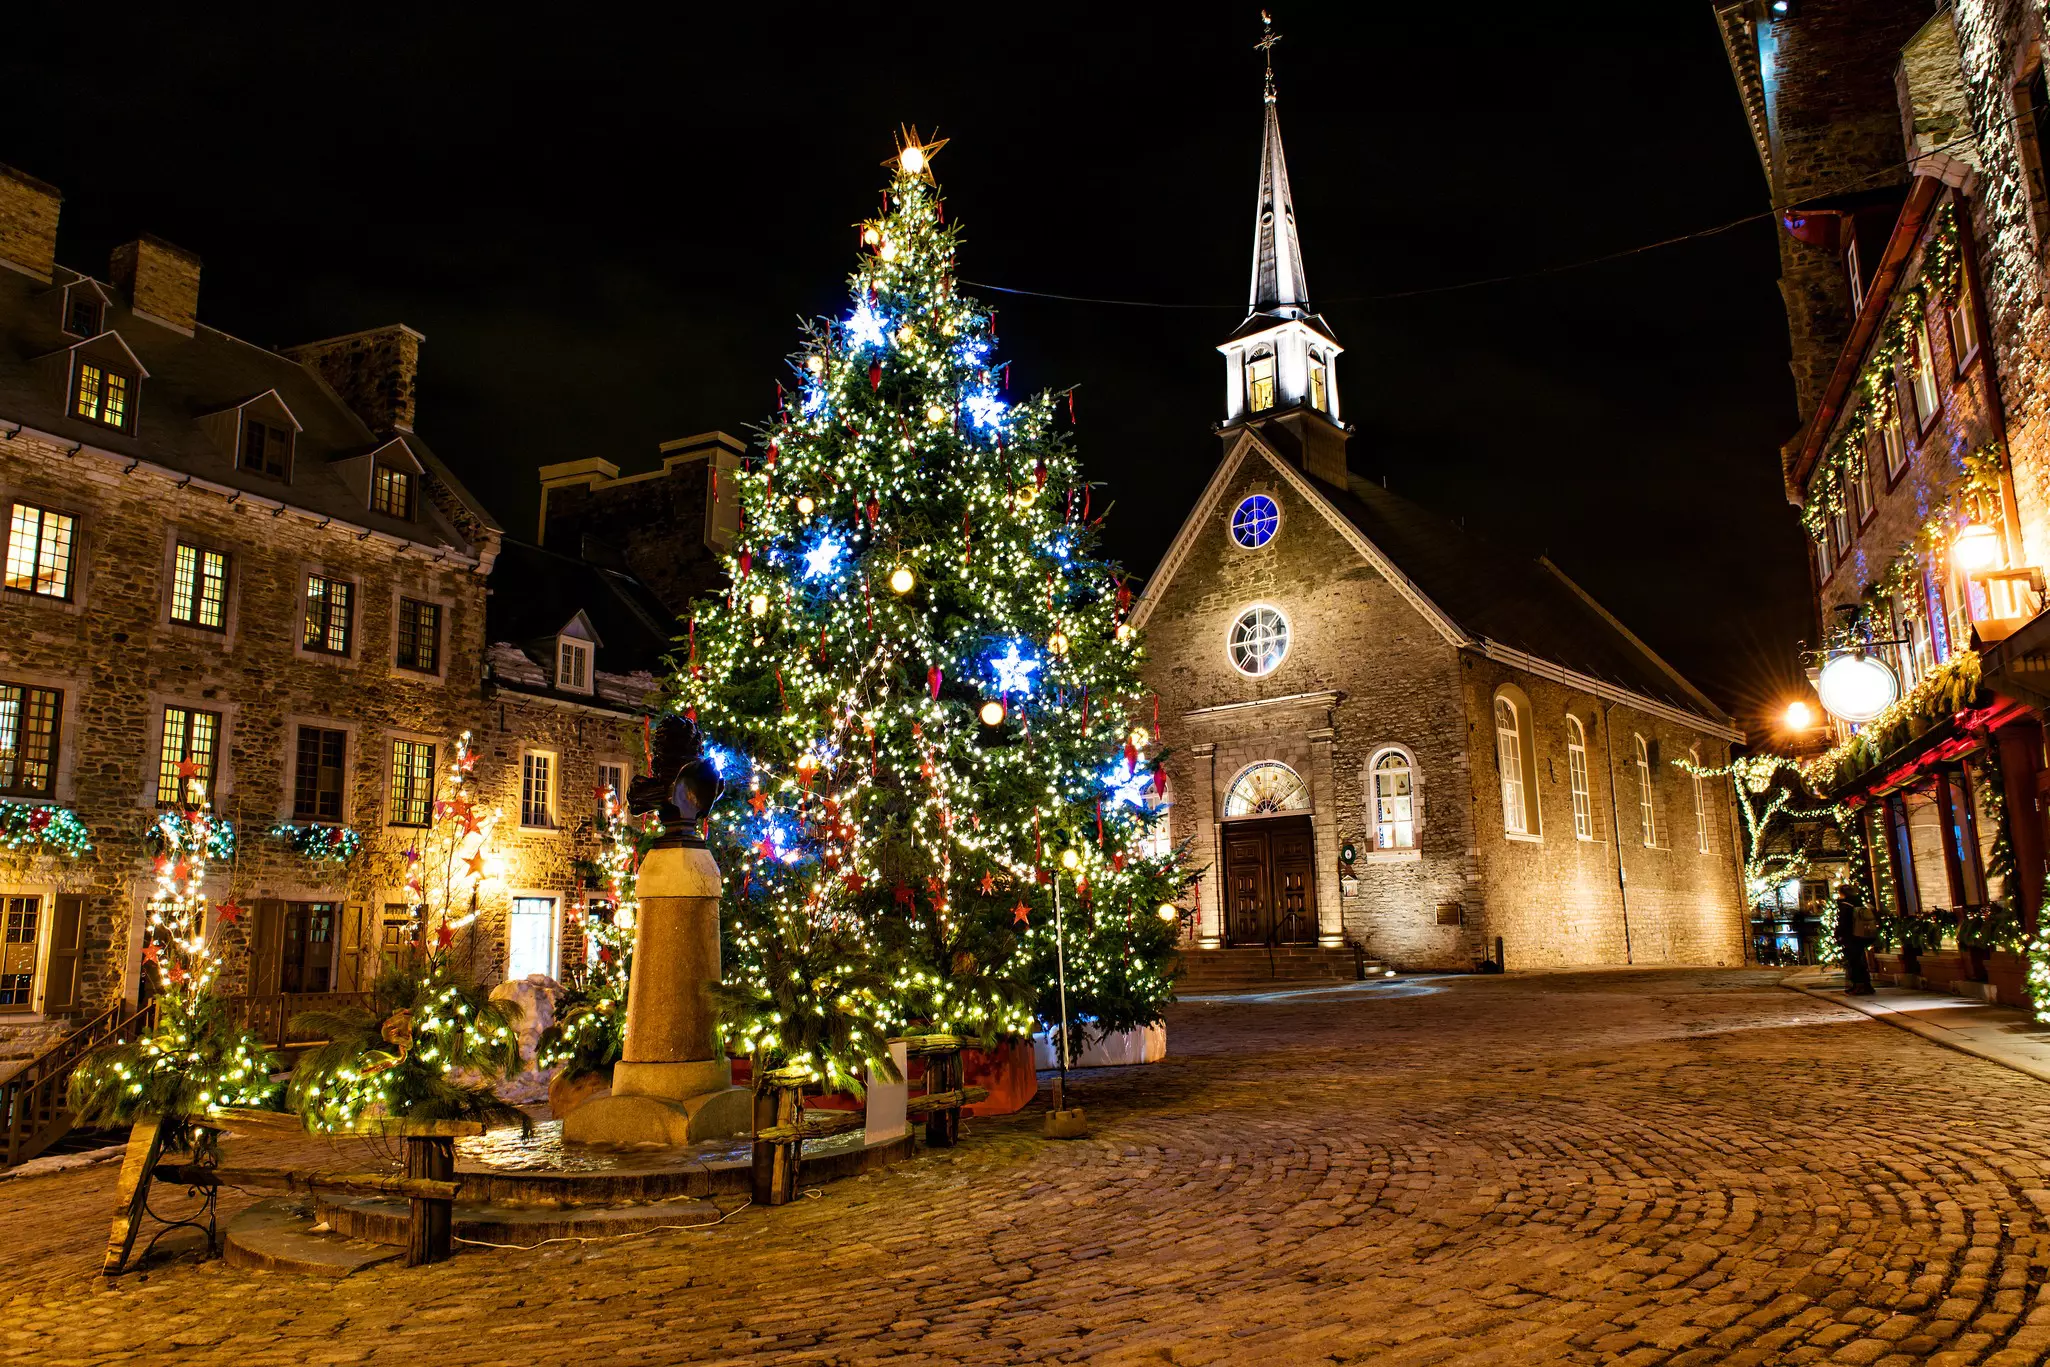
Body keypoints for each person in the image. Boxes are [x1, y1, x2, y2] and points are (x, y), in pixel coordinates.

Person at [1840, 896, 1877, 995]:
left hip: (1851, 938)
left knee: (1854, 963)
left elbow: (1843, 925)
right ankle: (1866, 985)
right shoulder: (1860, 905)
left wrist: (1839, 936)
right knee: (1861, 962)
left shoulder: (1845, 907)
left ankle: (1858, 986)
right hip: (1862, 937)